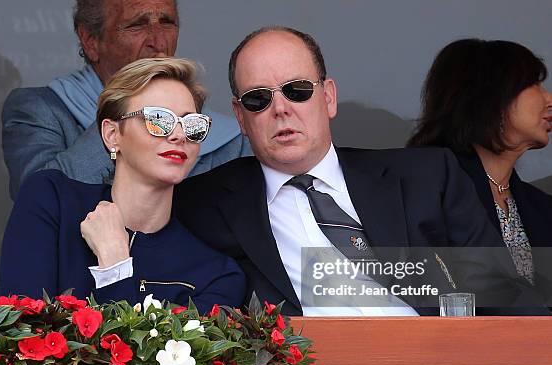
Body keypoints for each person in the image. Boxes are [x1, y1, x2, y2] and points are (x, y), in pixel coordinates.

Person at [174, 26, 548, 316]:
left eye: (298, 90)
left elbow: (504, 295)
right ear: (240, 117)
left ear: (329, 97)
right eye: (258, 99)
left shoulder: (428, 178)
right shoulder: (203, 204)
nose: (281, 109)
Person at [0, 58, 246, 314]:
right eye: (159, 119)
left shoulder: (218, 275)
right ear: (112, 135)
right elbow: (19, 336)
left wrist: (115, 267)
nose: (178, 134)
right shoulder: (51, 200)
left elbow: (148, 355)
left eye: (191, 124)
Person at [2, 0, 251, 201]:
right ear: (90, 40)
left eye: (167, 22)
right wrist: (125, 114)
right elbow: (36, 202)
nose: (158, 41)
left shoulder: (229, 138)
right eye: (136, 25)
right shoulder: (40, 109)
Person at [408, 38, 552, 300]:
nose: (549, 99)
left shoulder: (542, 206)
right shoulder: (424, 188)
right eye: (534, 84)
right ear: (492, 96)